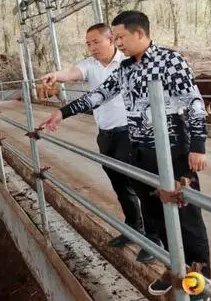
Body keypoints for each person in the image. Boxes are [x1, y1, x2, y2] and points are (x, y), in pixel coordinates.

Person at [39, 10, 211, 298]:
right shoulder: (126, 67)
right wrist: (62, 112)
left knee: (186, 216)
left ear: (139, 33)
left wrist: (198, 147)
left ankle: (201, 280)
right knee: (156, 212)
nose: (117, 43)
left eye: (120, 37)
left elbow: (193, 102)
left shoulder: (170, 60)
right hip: (139, 150)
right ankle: (174, 265)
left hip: (173, 151)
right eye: (115, 38)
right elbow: (100, 94)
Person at [40, 23, 152, 263]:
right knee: (119, 183)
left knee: (140, 184)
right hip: (106, 134)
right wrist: (55, 76)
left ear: (111, 40)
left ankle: (154, 239)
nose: (91, 48)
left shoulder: (128, 62)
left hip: (130, 131)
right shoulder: (89, 65)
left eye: (95, 42)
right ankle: (134, 228)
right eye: (88, 44)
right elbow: (70, 73)